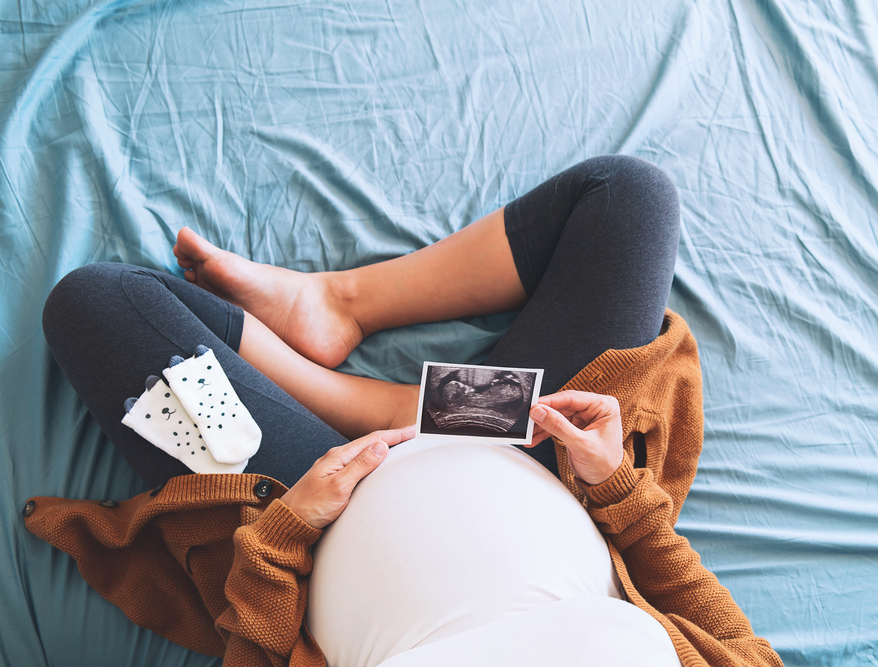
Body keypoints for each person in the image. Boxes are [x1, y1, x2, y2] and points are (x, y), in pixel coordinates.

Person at [31, 155, 784, 667]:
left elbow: (253, 647)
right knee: (628, 198)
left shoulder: (300, 518)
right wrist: (616, 484)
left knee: (96, 302)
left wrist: (292, 526)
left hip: (310, 504)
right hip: (539, 451)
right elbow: (728, 637)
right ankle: (346, 311)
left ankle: (383, 402)